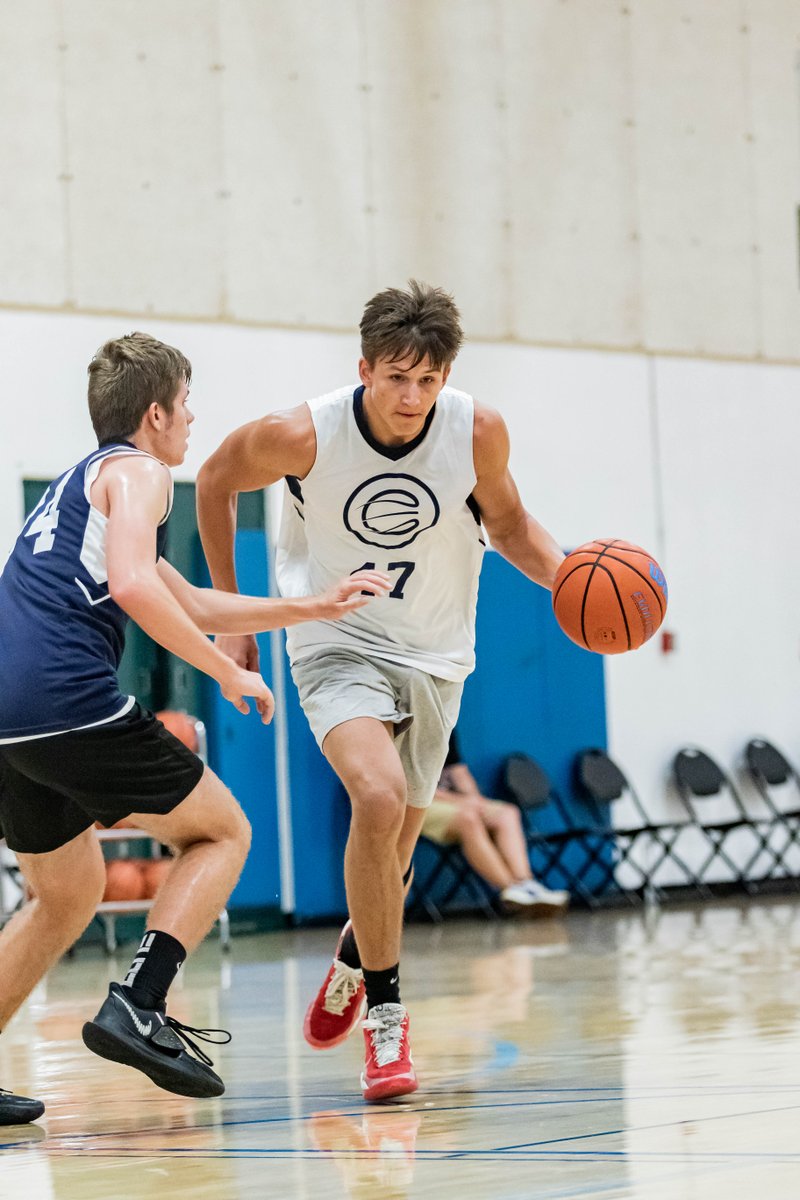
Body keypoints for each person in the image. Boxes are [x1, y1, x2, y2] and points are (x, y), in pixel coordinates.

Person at [0, 332, 388, 1126]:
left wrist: (311, 608)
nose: (192, 419)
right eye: (186, 404)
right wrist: (228, 673)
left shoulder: (83, 484)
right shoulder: (143, 473)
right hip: (65, 697)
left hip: (8, 717)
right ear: (155, 413)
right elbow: (142, 590)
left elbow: (188, 598)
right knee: (223, 832)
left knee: (66, 894)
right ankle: (141, 1004)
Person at [196, 280, 565, 1102]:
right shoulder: (302, 433)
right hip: (336, 638)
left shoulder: (478, 432)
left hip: (436, 652)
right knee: (377, 794)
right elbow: (214, 480)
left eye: (427, 381)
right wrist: (232, 615)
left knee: (393, 855)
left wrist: (568, 578)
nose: (411, 397)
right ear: (363, 367)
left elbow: (508, 526)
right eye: (396, 377)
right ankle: (387, 1027)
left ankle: (357, 956)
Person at [422, 730, 570, 915]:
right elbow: (413, 785)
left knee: (507, 813)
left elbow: (459, 771)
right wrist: (463, 802)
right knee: (468, 818)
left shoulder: (446, 722)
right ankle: (510, 889)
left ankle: (525, 882)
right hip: (419, 804)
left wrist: (475, 800)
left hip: (454, 801)